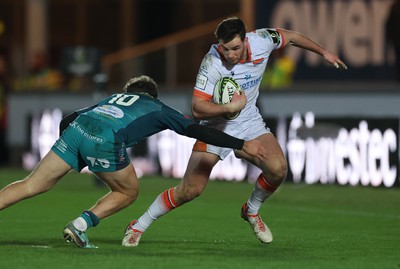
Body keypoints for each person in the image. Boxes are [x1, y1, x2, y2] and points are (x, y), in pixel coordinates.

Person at [125, 17, 347, 247]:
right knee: (190, 190)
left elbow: (291, 36)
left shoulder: (262, 40)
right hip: (215, 127)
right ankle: (138, 226)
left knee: (278, 169)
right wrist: (229, 108)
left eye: (235, 48)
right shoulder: (211, 63)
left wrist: (324, 52)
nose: (229, 54)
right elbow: (197, 109)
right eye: (225, 48)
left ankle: (251, 210)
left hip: (250, 122)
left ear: (245, 39)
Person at [0, 75, 268, 248]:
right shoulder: (158, 108)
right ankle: (80, 224)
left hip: (76, 131)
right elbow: (197, 130)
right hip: (105, 139)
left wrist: (75, 154)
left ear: (128, 91)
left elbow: (66, 120)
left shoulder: (111, 98)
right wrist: (242, 144)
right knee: (128, 191)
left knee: (31, 184)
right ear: (153, 95)